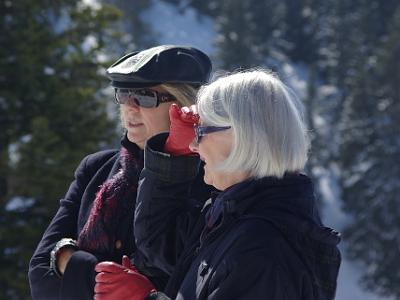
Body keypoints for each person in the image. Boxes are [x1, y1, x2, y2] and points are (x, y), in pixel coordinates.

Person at [94, 69, 342, 300]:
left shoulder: (261, 247)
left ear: (242, 135)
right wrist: (173, 153)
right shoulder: (235, 212)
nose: (193, 145)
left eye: (200, 131)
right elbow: (160, 244)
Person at [28, 45, 213, 300]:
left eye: (145, 97)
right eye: (123, 94)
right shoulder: (96, 168)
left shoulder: (212, 180)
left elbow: (183, 279)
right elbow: (40, 275)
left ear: (184, 104)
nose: (129, 107)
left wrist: (71, 262)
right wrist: (116, 284)